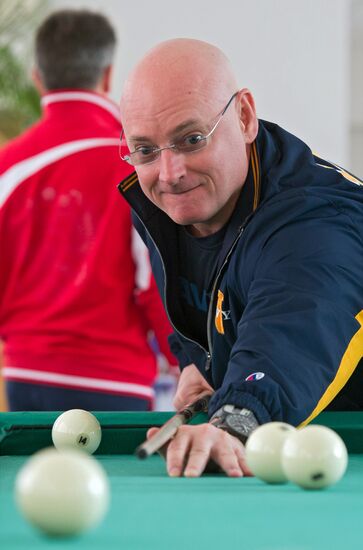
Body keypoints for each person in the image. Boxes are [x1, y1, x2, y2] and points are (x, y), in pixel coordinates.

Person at [118, 38, 363, 477]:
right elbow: (207, 296)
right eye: (145, 150)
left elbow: (296, 327)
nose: (169, 173)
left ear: (245, 117)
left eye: (191, 139)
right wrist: (201, 364)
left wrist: (236, 417)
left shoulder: (317, 224)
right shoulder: (180, 203)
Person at [0, 10, 177, 412]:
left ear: (37, 78)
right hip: (117, 382)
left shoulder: (7, 168)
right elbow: (157, 278)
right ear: (108, 74)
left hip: (28, 377)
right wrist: (181, 361)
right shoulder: (135, 165)